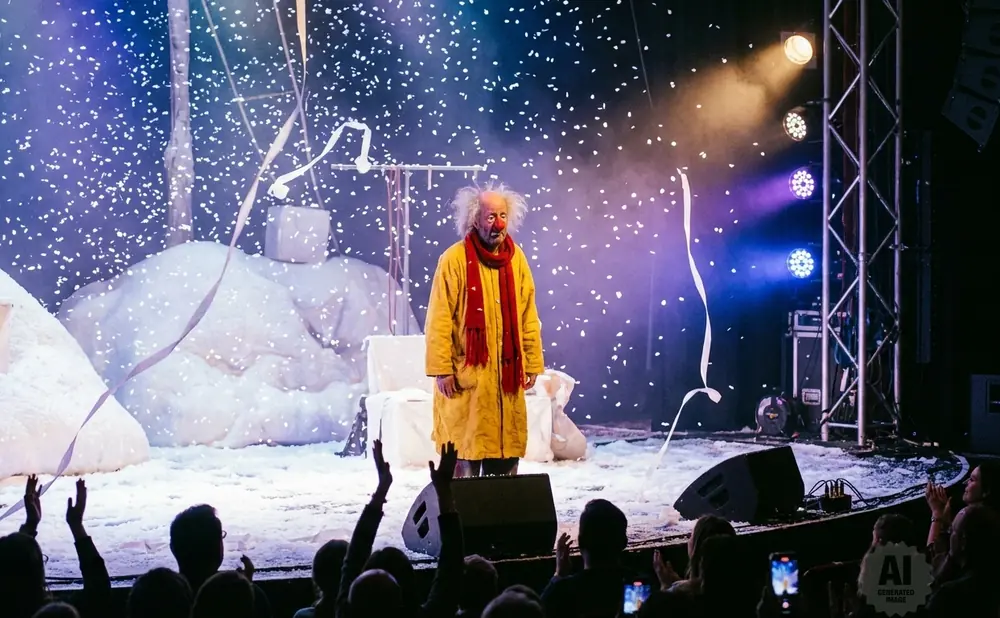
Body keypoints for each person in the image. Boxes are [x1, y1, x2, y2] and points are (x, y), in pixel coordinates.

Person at [425, 182, 545, 477]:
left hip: (506, 379)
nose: (498, 224)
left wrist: (531, 362)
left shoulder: (517, 260)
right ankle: (458, 521)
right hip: (469, 379)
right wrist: (442, 369)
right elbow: (439, 318)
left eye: (502, 216)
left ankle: (500, 519)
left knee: (504, 468)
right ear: (474, 219)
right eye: (491, 217)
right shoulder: (453, 260)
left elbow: (528, 315)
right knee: (464, 459)